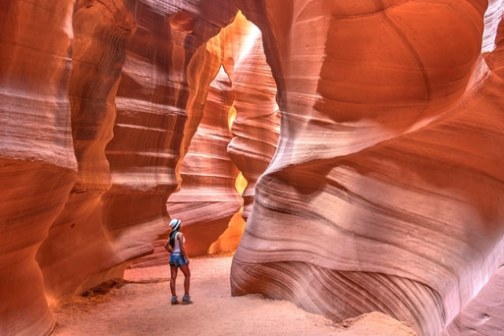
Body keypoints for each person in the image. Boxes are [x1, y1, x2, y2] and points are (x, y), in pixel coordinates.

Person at [164, 218, 192, 305]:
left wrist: (171, 251)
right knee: (187, 275)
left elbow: (165, 246)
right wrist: (186, 257)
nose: (181, 225)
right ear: (177, 225)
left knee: (173, 277)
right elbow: (182, 247)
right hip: (179, 256)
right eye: (180, 224)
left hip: (172, 257)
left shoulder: (171, 235)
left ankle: (174, 298)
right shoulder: (179, 234)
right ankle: (186, 297)